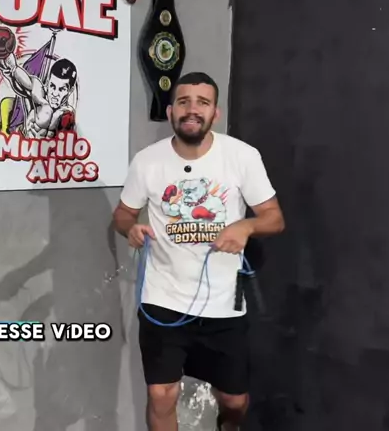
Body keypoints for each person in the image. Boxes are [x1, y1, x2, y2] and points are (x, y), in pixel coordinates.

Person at [112, 72, 285, 431]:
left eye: (202, 102)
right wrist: (132, 228)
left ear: (215, 113)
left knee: (235, 402)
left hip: (223, 306)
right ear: (171, 111)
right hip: (163, 300)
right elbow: (123, 215)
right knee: (161, 395)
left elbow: (274, 218)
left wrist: (246, 226)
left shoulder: (242, 157)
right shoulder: (147, 161)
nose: (192, 109)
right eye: (184, 102)